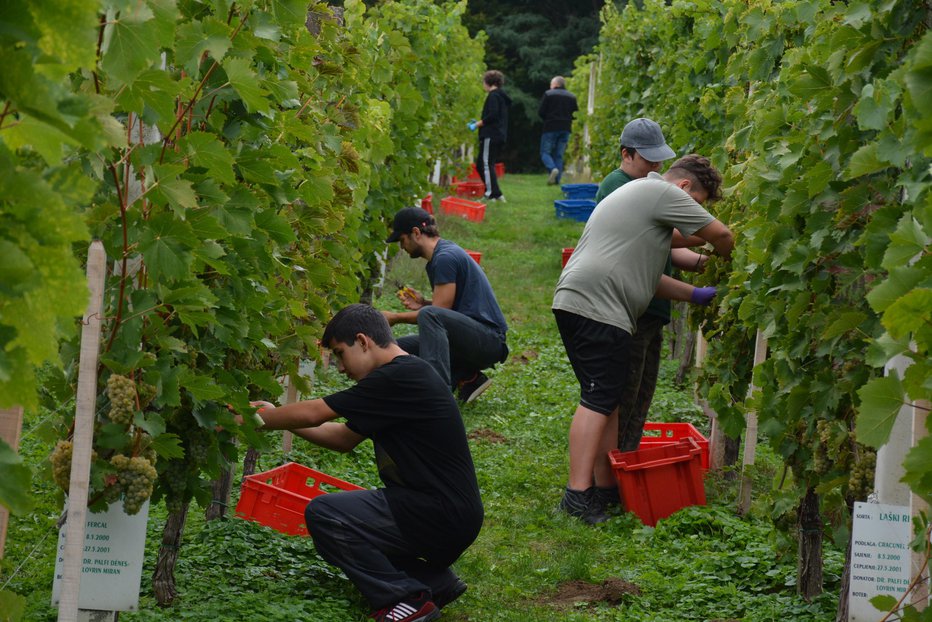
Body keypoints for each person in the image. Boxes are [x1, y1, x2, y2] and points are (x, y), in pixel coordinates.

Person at [246, 304, 483, 622]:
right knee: (350, 516)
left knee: (326, 515)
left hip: (439, 514)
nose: (341, 368)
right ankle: (433, 581)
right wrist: (276, 416)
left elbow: (317, 413)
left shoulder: (398, 377)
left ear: (363, 341)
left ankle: (406, 600)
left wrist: (258, 418)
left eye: (340, 354)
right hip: (446, 514)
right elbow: (343, 438)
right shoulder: (402, 376)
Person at [552, 154, 734, 524]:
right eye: (696, 203)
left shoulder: (643, 204)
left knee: (609, 401)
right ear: (684, 188)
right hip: (597, 306)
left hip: (584, 300)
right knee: (597, 397)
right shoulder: (660, 191)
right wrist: (732, 260)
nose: (692, 210)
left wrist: (696, 293)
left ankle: (604, 489)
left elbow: (650, 278)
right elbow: (721, 235)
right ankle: (576, 495)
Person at [595, 119, 716, 461]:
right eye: (649, 160)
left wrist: (701, 263)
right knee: (624, 395)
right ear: (626, 154)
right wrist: (715, 236)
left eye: (659, 160)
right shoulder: (619, 188)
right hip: (631, 309)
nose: (655, 167)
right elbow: (652, 245)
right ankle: (610, 470)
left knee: (642, 393)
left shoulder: (646, 190)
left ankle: (625, 464)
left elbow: (664, 245)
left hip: (651, 311)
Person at [384, 207, 508, 403]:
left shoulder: (444, 258)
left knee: (430, 316)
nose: (402, 247)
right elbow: (444, 312)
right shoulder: (439, 257)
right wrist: (423, 303)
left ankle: (436, 396)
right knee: (396, 347)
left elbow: (438, 314)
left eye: (402, 240)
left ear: (416, 233)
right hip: (471, 338)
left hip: (488, 340)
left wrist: (395, 317)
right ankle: (468, 377)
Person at [471, 70, 511, 202]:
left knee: (486, 164)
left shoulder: (493, 96)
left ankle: (490, 194)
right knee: (482, 164)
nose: (483, 85)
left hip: (491, 134)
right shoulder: (502, 96)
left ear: (489, 82)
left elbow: (493, 115)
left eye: (484, 82)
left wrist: (478, 124)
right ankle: (497, 193)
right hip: (498, 134)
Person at [538, 76, 578, 185]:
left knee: (545, 152)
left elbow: (541, 112)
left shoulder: (548, 94)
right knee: (559, 155)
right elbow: (575, 113)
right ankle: (557, 180)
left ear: (555, 84)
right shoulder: (572, 96)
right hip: (565, 128)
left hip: (550, 127)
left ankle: (552, 169)